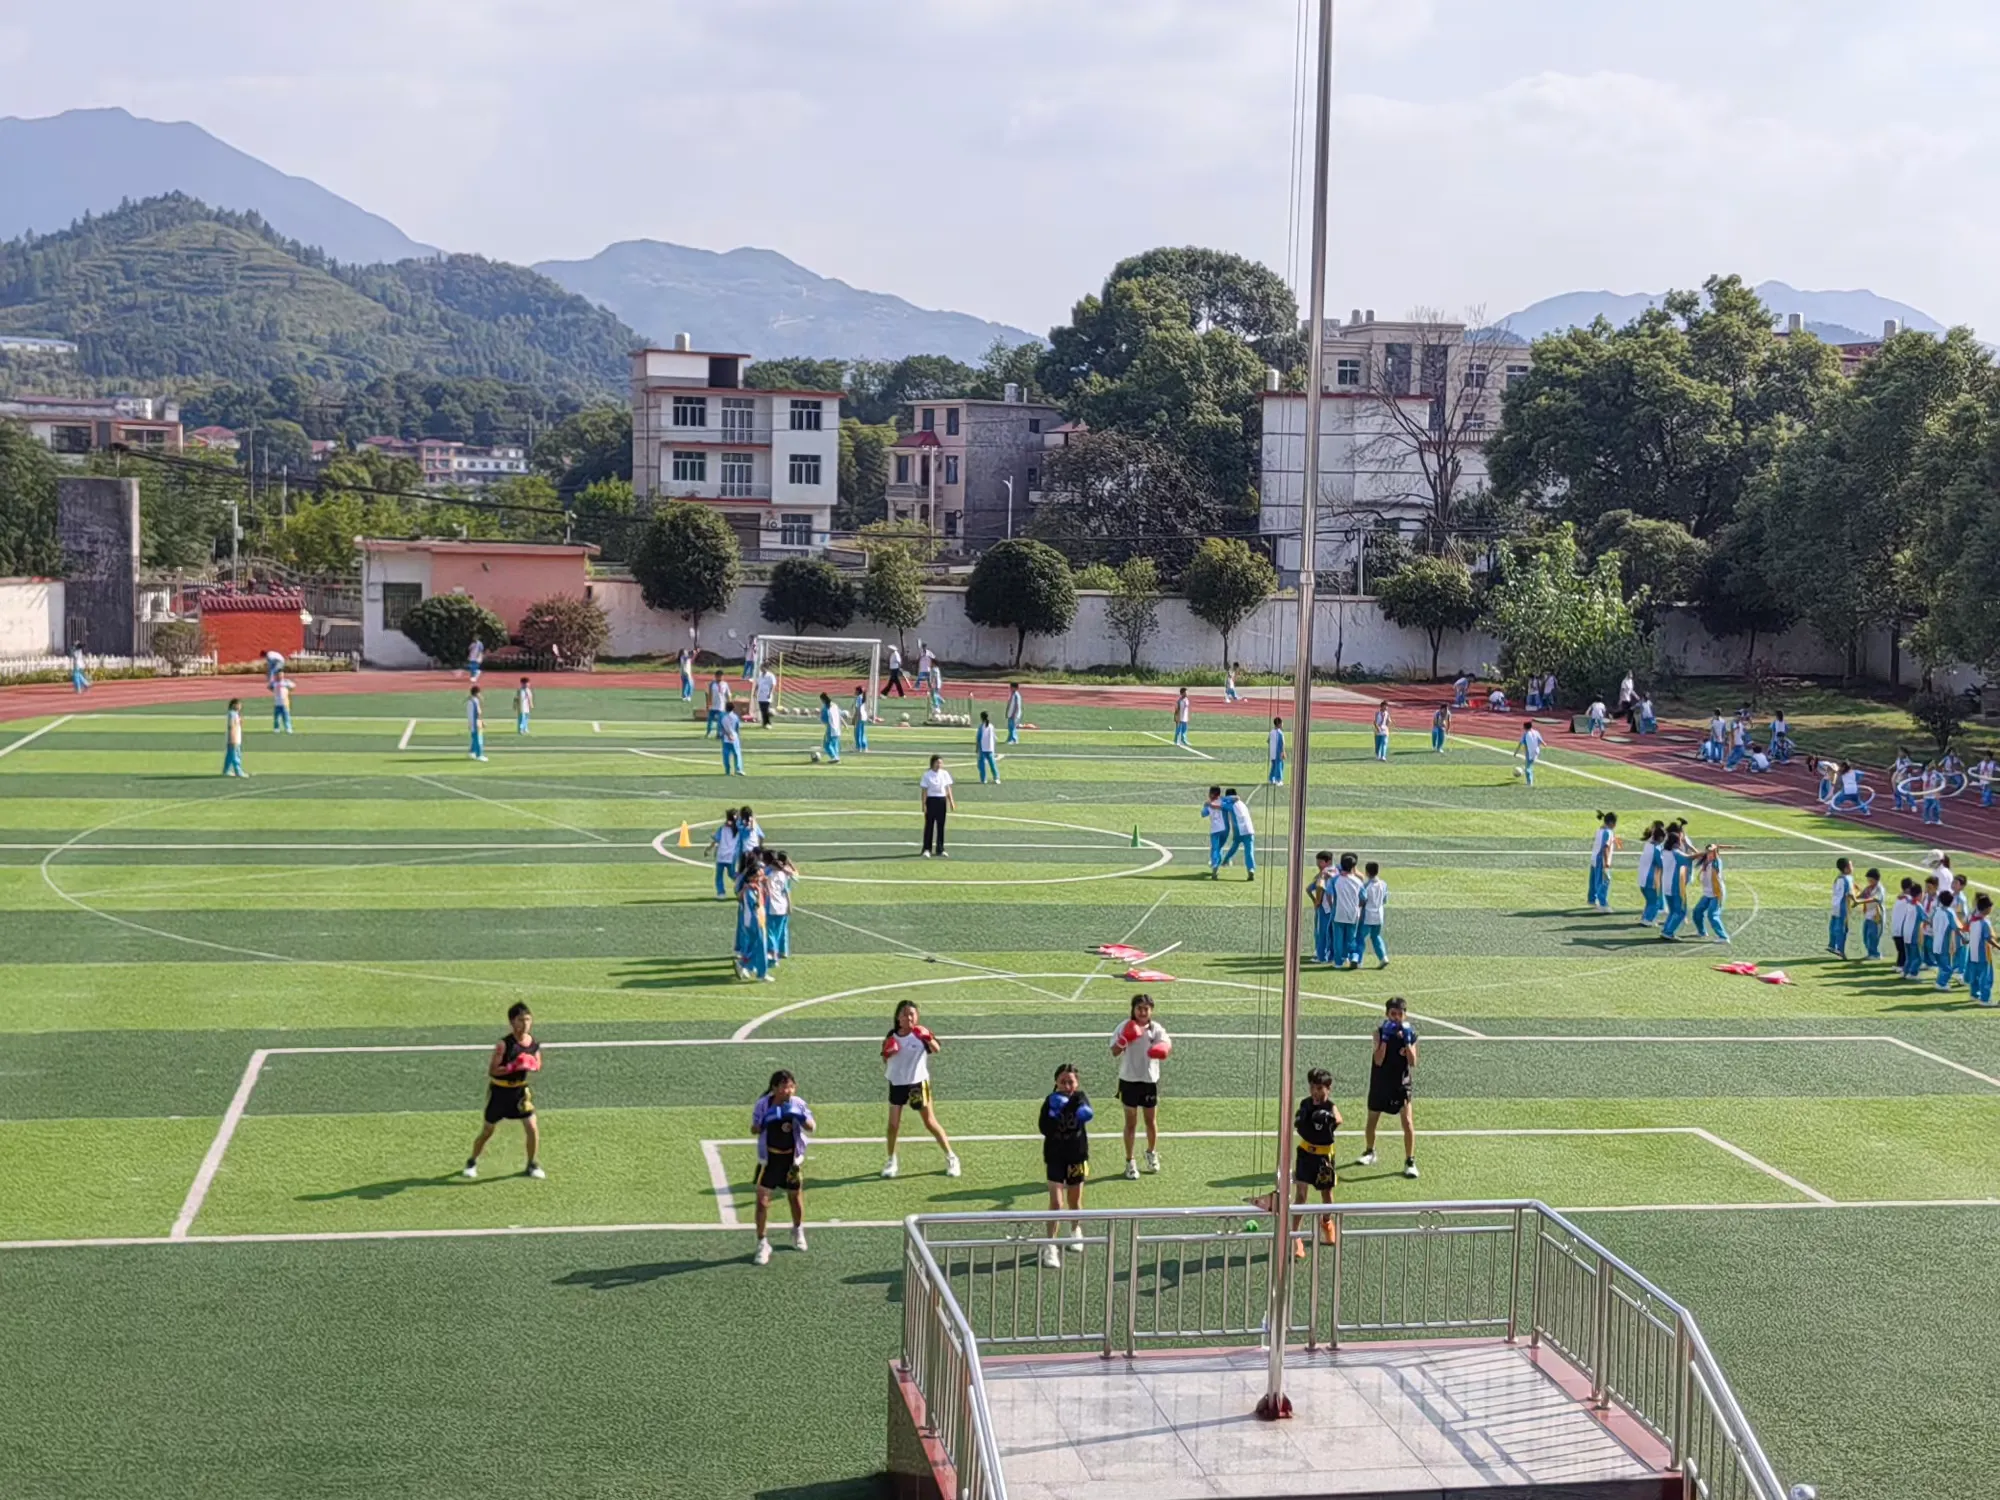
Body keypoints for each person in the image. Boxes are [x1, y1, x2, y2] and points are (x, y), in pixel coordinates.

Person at [461, 1002, 543, 1181]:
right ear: (513, 1022)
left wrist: (531, 1064)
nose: (526, 1023)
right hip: (500, 1092)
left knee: (532, 1127)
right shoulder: (504, 1044)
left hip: (520, 1092)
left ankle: (532, 1164)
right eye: (521, 1020)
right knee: (487, 1131)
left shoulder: (532, 1042)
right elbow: (493, 1070)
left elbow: (537, 1063)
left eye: (528, 1019)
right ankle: (472, 1161)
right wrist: (512, 1067)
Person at [879, 1001, 961, 1180]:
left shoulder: (920, 1035)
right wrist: (887, 1052)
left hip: (917, 1084)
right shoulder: (892, 1035)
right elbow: (885, 1059)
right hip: (897, 1083)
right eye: (905, 1014)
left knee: (929, 1122)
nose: (909, 1017)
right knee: (893, 1125)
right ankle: (891, 1160)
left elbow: (936, 1049)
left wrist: (928, 1037)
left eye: (912, 1014)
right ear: (898, 1017)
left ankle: (951, 1157)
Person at [750, 1070, 814, 1264]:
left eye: (791, 1086)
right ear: (775, 1088)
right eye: (784, 1087)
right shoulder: (763, 1104)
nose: (788, 1091)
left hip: (790, 1161)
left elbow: (811, 1127)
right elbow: (753, 1128)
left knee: (795, 1198)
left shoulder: (798, 1104)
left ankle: (798, 1229)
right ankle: (762, 1243)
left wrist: (800, 1118)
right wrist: (766, 1121)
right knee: (762, 1202)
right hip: (770, 1160)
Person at [1038, 1063, 1093, 1268]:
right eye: (1063, 1081)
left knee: (1075, 1200)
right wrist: (1054, 1114)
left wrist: (1072, 1108)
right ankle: (1050, 1245)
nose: (1067, 1085)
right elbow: (1043, 1128)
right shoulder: (1049, 1100)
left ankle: (1075, 1230)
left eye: (1070, 1081)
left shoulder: (1080, 1097)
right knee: (1056, 1203)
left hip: (1077, 1155)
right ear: (1056, 1082)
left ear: (1076, 1083)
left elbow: (1087, 1113)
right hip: (1055, 1156)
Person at [1110, 995, 1170, 1178]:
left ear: (1151, 1010)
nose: (1143, 1012)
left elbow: (1167, 1044)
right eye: (1139, 1008)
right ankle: (1130, 1161)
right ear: (1133, 1009)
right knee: (1131, 1123)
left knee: (1151, 1121)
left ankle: (1151, 1152)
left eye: (1146, 1008)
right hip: (1129, 1080)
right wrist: (1124, 1040)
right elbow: (1114, 1051)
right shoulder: (1123, 1026)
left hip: (1149, 1081)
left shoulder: (1156, 1029)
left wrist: (1162, 1049)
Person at [1360, 997, 1418, 1179]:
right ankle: (1370, 1151)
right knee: (1372, 1120)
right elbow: (1378, 1060)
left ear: (1405, 1015)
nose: (1396, 1018)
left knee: (1407, 1123)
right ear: (1387, 1014)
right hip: (1380, 1082)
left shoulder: (1411, 1033)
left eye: (1400, 1014)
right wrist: (1385, 1039)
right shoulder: (1378, 1032)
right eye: (1393, 1014)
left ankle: (1410, 1161)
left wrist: (1407, 1042)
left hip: (1401, 1084)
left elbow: (1413, 1061)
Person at [1290, 1068, 1342, 1258]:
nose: (1315, 1092)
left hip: (1324, 1158)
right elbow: (1298, 1121)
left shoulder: (1330, 1106)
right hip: (1305, 1153)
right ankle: (1295, 1236)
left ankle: (1326, 1222)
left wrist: (1329, 1119)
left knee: (1326, 1195)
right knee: (1301, 1196)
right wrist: (1301, 1120)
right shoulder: (1305, 1104)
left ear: (1328, 1088)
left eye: (1319, 1088)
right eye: (1312, 1087)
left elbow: (1339, 1119)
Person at [735, 851, 773, 982]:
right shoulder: (751, 889)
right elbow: (755, 906)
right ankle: (761, 973)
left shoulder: (755, 887)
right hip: (754, 920)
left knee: (752, 946)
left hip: (756, 919)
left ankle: (745, 964)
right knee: (761, 946)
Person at [1691, 843, 1731, 943]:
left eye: (1712, 853)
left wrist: (1715, 848)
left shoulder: (1716, 862)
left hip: (1717, 893)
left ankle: (1723, 937)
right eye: (1708, 853)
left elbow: (1715, 859)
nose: (1709, 855)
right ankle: (1702, 931)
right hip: (1707, 893)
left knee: (1712, 915)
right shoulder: (1706, 862)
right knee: (1697, 912)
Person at [763, 848, 796, 965]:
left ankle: (772, 955)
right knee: (779, 931)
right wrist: (789, 905)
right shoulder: (783, 874)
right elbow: (786, 890)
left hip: (772, 906)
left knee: (770, 932)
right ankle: (781, 951)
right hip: (783, 905)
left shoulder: (768, 875)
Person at [1658, 827, 1691, 940]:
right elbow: (1689, 858)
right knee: (1681, 911)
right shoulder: (1675, 853)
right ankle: (1668, 931)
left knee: (1673, 911)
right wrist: (1704, 853)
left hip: (1667, 886)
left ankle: (1666, 930)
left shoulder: (1665, 852)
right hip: (1675, 886)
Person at [920, 755, 955, 857]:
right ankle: (927, 849)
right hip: (931, 800)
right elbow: (924, 791)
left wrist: (951, 802)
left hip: (941, 800)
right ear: (933, 763)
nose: (939, 765)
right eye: (937, 763)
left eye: (941, 763)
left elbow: (948, 789)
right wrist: (924, 804)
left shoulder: (944, 774)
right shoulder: (927, 775)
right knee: (929, 825)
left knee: (941, 825)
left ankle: (940, 849)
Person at [1221, 786, 1255, 880]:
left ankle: (1225, 861)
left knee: (1234, 846)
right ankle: (1251, 869)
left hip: (1240, 831)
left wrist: (1225, 799)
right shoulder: (1242, 804)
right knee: (1249, 852)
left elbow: (1220, 804)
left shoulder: (1231, 805)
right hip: (1250, 830)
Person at [705, 809, 741, 901]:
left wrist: (708, 849)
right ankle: (741, 883)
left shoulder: (722, 829)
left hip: (721, 855)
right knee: (732, 873)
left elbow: (716, 840)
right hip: (732, 856)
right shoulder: (738, 829)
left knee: (719, 876)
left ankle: (721, 893)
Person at [1931, 889, 1962, 993]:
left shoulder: (1936, 910)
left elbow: (1931, 922)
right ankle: (1941, 983)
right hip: (1944, 943)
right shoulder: (1950, 913)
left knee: (1942, 965)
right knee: (1947, 967)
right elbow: (1955, 927)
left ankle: (1940, 981)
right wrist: (1964, 937)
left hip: (1935, 941)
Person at [1360, 860, 1390, 968]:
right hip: (1379, 914)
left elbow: (1363, 900)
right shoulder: (1384, 884)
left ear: (1367, 872)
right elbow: (1385, 900)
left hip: (1368, 915)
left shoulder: (1366, 885)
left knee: (1360, 937)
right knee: (1376, 936)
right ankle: (1383, 957)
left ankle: (1358, 960)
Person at [1308, 850, 1336, 963]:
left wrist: (1316, 901)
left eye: (1320, 862)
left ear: (1328, 861)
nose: (1318, 865)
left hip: (1324, 908)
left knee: (1322, 932)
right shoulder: (1337, 871)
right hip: (1335, 908)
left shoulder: (1323, 873)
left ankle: (1321, 956)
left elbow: (1317, 887)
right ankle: (1332, 955)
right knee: (1332, 933)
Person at [1966, 894, 1995, 1006]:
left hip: (1973, 952)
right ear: (1986, 909)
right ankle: (1985, 999)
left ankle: (1974, 994)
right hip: (1984, 954)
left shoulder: (1972, 919)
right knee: (1986, 976)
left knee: (1975, 975)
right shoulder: (1984, 922)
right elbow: (1988, 938)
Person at [1587, 811, 1618, 912]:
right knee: (1604, 880)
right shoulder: (1608, 833)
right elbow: (1606, 848)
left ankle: (1592, 899)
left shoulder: (1600, 830)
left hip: (1594, 857)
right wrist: (1606, 864)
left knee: (1593, 879)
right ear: (1612, 823)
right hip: (1601, 859)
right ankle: (1602, 904)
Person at [1636, 821, 1664, 926]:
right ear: (1660, 838)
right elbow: (1661, 864)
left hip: (1642, 877)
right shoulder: (1656, 849)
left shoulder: (1648, 845)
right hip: (1650, 878)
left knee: (1649, 900)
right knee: (1655, 901)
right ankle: (1649, 919)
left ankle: (1645, 917)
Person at [1829, 858, 1855, 959]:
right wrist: (1857, 902)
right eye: (1851, 866)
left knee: (1834, 925)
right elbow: (1850, 894)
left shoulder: (1838, 878)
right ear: (1846, 869)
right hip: (1843, 906)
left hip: (1835, 905)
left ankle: (1832, 944)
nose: (1853, 868)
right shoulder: (1847, 879)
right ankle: (1840, 949)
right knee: (1843, 928)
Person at [1857, 868, 1886, 960]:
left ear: (1876, 879)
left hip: (1876, 916)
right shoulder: (1869, 888)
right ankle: (1870, 953)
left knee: (1873, 935)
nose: (1869, 882)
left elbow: (1875, 899)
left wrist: (1860, 902)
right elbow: (1861, 895)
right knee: (1866, 935)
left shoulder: (1879, 889)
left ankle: (1875, 954)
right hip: (1868, 915)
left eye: (1871, 880)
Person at [1202, 786, 1229, 878]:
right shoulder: (1223, 800)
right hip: (1225, 830)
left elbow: (1203, 814)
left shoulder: (1209, 804)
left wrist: (1206, 805)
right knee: (1219, 848)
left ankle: (1215, 866)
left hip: (1215, 830)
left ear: (1212, 794)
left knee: (1215, 849)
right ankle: (1217, 864)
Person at [1514, 718, 1543, 787]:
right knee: (1529, 765)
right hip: (1536, 751)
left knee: (1528, 769)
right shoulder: (1536, 732)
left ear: (1525, 727)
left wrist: (1516, 752)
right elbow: (1540, 740)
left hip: (1530, 753)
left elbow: (1520, 744)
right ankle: (1525, 770)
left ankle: (1529, 783)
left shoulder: (1526, 734)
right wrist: (1544, 743)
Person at [221, 698, 247, 777]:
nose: (240, 706)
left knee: (230, 755)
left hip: (236, 737)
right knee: (235, 755)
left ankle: (226, 770)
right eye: (238, 705)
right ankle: (238, 771)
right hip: (234, 737)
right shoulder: (232, 714)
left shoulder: (235, 714)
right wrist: (233, 737)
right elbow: (231, 725)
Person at [719, 700, 745, 776]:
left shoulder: (722, 717)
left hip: (726, 739)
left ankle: (727, 770)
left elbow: (722, 728)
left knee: (726, 755)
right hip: (735, 738)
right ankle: (738, 769)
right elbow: (737, 728)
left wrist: (725, 735)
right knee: (737, 754)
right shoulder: (735, 717)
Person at [975, 711, 999, 783]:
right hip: (990, 748)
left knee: (982, 765)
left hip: (983, 748)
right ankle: (996, 778)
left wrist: (977, 748)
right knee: (992, 764)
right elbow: (994, 737)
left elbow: (978, 738)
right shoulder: (991, 726)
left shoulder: (981, 727)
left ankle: (983, 779)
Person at [819, 692, 843, 764]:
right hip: (838, 728)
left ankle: (833, 757)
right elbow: (840, 715)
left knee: (826, 744)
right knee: (835, 744)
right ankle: (837, 757)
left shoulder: (826, 708)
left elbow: (824, 719)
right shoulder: (835, 705)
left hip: (831, 728)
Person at [706, 671, 730, 738]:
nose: (719, 678)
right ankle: (708, 732)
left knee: (720, 721)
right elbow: (709, 694)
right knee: (710, 720)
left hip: (721, 706)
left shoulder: (725, 684)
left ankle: (719, 734)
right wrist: (708, 704)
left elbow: (728, 695)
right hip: (713, 705)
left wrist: (729, 705)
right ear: (715, 676)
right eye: (718, 676)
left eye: (721, 676)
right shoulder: (712, 684)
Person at [466, 686, 487, 762]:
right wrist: (481, 721)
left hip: (472, 722)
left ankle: (472, 752)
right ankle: (479, 755)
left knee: (474, 738)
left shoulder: (470, 700)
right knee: (478, 739)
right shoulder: (475, 701)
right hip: (476, 723)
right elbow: (477, 713)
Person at [755, 664, 778, 728]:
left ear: (765, 668)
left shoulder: (770, 675)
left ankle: (768, 723)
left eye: (762, 667)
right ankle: (765, 723)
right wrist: (755, 692)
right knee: (762, 710)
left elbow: (773, 685)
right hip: (760, 695)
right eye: (760, 667)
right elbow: (757, 684)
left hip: (767, 695)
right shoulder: (760, 676)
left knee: (766, 709)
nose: (761, 669)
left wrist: (770, 693)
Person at [852, 685, 871, 753]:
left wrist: (855, 718)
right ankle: (864, 747)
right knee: (862, 732)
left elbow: (858, 709)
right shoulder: (862, 697)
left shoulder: (858, 698)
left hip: (860, 716)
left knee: (858, 733)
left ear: (858, 691)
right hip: (864, 717)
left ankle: (858, 747)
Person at [1268, 717, 1286, 784]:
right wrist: (1283, 752)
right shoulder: (1280, 733)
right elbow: (1282, 743)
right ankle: (1278, 780)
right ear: (1279, 724)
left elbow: (1268, 740)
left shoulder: (1271, 732)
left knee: (1274, 766)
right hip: (1278, 752)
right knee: (1279, 766)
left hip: (1272, 752)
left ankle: (1271, 779)